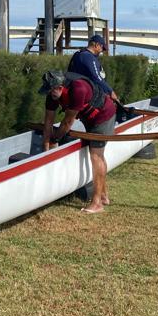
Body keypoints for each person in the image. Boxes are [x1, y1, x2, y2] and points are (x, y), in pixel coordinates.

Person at [38, 69, 117, 214]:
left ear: (60, 88)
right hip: (88, 118)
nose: (49, 95)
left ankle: (97, 203)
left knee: (96, 155)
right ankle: (104, 196)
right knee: (97, 154)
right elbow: (48, 122)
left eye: (51, 91)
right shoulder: (52, 94)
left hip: (103, 115)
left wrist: (55, 139)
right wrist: (46, 150)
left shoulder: (78, 89)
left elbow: (67, 123)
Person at [67, 34, 119, 103]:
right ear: (97, 45)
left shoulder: (79, 54)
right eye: (102, 48)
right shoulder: (88, 57)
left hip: (77, 91)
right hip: (83, 95)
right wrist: (110, 91)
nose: (101, 51)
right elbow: (96, 77)